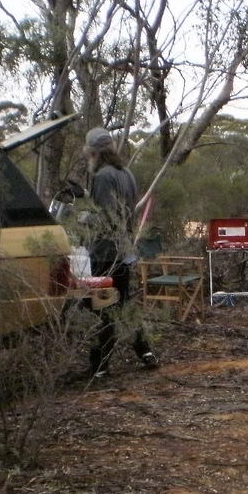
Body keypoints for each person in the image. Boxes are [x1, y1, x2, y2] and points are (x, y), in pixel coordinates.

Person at [82, 126, 158, 377]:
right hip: (124, 251)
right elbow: (126, 213)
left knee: (104, 307)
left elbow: (106, 218)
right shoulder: (126, 173)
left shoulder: (103, 176)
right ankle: (145, 350)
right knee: (124, 303)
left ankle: (100, 366)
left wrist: (84, 218)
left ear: (92, 152)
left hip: (106, 253)